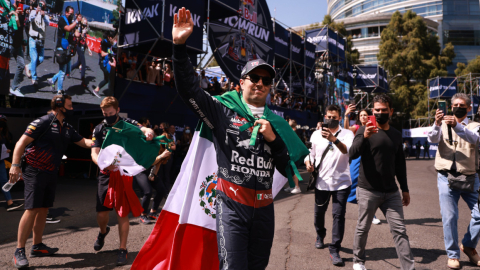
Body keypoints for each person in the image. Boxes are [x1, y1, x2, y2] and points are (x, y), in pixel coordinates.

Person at [172, 7, 304, 269]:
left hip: (265, 210)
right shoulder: (222, 111)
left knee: (258, 266)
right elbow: (189, 91)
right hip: (232, 207)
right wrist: (179, 47)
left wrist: (274, 140)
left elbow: (285, 166)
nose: (260, 83)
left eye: (266, 80)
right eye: (254, 77)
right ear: (241, 82)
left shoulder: (276, 123)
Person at [9, 95, 92, 269]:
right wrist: (15, 166)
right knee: (31, 209)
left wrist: (103, 140)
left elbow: (84, 142)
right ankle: (19, 250)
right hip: (34, 171)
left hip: (51, 172)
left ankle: (37, 246)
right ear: (60, 106)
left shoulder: (67, 127)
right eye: (69, 106)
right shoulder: (43, 122)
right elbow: (21, 143)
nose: (72, 109)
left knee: (44, 209)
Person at [349, 94, 414, 270]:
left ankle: (408, 267)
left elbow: (400, 164)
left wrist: (405, 189)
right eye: (377, 110)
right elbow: (352, 154)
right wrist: (365, 137)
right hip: (368, 190)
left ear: (390, 112)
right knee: (363, 228)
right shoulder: (364, 130)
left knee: (399, 230)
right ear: (372, 111)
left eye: (384, 110)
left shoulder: (396, 135)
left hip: (391, 192)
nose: (380, 113)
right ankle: (358, 261)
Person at [90, 97, 155, 266]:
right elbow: (94, 153)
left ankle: (122, 248)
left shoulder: (128, 123)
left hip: (124, 174)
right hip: (106, 174)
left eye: (111, 113)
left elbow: (143, 129)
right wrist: (104, 164)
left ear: (117, 110)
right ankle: (103, 232)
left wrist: (148, 132)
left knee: (122, 212)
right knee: (102, 214)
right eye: (105, 114)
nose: (108, 117)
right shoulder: (99, 129)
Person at [427, 93, 480, 270]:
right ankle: (453, 254)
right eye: (455, 104)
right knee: (450, 217)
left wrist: (457, 126)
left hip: (470, 177)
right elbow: (432, 139)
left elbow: (474, 139)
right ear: (451, 107)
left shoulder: (475, 126)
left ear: (469, 108)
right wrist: (436, 124)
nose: (458, 107)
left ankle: (468, 245)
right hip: (446, 177)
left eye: (462, 105)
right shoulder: (441, 124)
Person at [305, 104, 353, 266]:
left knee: (338, 216)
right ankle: (320, 234)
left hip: (342, 183)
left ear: (340, 118)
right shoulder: (316, 134)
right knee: (319, 214)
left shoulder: (347, 134)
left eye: (334, 117)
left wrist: (334, 139)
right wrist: (308, 163)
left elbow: (347, 151)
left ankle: (335, 248)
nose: (331, 120)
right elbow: (309, 154)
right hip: (322, 182)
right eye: (328, 117)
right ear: (324, 116)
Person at [344, 105, 381, 225]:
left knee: (370, 184)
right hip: (357, 158)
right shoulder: (356, 128)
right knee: (354, 181)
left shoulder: (375, 127)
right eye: (361, 115)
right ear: (359, 118)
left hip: (371, 158)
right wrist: (346, 115)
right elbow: (345, 130)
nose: (363, 117)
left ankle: (372, 214)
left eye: (365, 115)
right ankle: (341, 206)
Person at [48, 6, 80, 94]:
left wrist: (77, 31)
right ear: (66, 12)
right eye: (70, 14)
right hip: (61, 48)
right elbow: (68, 28)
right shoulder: (62, 19)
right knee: (62, 71)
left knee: (67, 71)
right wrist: (76, 21)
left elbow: (73, 32)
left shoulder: (70, 21)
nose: (71, 15)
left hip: (67, 49)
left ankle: (53, 79)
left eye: (72, 14)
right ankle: (59, 90)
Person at [0, 115, 23, 211]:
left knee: (4, 181)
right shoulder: (4, 134)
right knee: (4, 180)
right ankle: (10, 202)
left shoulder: (4, 134)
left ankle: (10, 202)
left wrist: (7, 150)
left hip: (1, 159)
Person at [25, 1, 49, 87]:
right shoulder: (32, 12)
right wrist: (36, 12)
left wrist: (43, 16)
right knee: (34, 58)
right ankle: (34, 78)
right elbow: (30, 19)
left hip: (41, 40)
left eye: (43, 5)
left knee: (41, 59)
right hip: (33, 38)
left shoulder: (45, 15)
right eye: (40, 4)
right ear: (38, 5)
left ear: (45, 7)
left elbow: (48, 23)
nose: (41, 6)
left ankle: (29, 66)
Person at [70, 16, 92, 88]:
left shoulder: (85, 30)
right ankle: (83, 80)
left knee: (78, 63)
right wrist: (82, 33)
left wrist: (88, 49)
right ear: (82, 22)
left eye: (86, 23)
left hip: (83, 46)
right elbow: (77, 36)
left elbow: (85, 40)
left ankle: (68, 70)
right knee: (83, 64)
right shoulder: (79, 28)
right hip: (78, 46)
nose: (85, 25)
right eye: (84, 23)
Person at [9, 0, 26, 96]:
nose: (21, 4)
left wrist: (23, 43)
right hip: (10, 42)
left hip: (18, 44)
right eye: (20, 2)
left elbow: (20, 28)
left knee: (21, 65)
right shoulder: (10, 9)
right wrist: (13, 15)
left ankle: (14, 88)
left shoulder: (21, 13)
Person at [92, 31, 116, 95]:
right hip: (103, 63)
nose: (113, 39)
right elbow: (102, 54)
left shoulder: (109, 43)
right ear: (109, 37)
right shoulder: (104, 42)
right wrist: (110, 53)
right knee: (110, 78)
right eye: (112, 37)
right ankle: (110, 95)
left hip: (106, 62)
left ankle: (96, 90)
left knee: (106, 79)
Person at [284, 119, 301, 194]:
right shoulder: (293, 132)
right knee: (290, 171)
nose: (288, 121)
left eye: (289, 121)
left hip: (294, 155)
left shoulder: (294, 133)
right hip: (291, 154)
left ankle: (297, 187)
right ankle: (292, 186)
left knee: (294, 171)